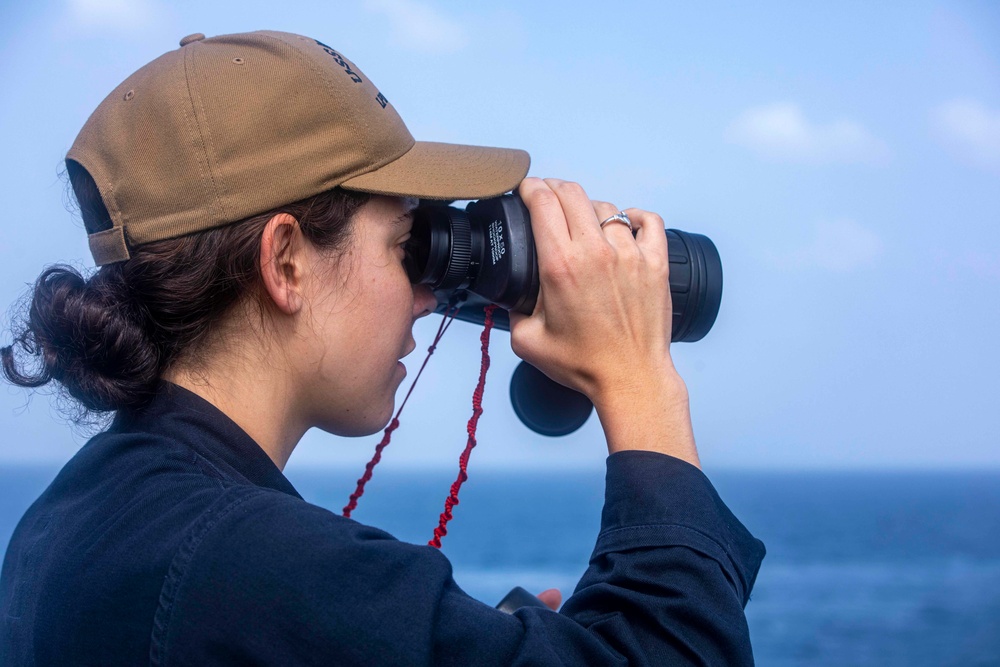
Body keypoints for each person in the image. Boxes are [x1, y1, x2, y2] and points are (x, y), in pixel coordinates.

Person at [0, 30, 764, 665]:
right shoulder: (253, 565)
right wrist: (639, 380)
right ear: (286, 262)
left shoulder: (64, 522)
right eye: (406, 244)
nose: (430, 295)